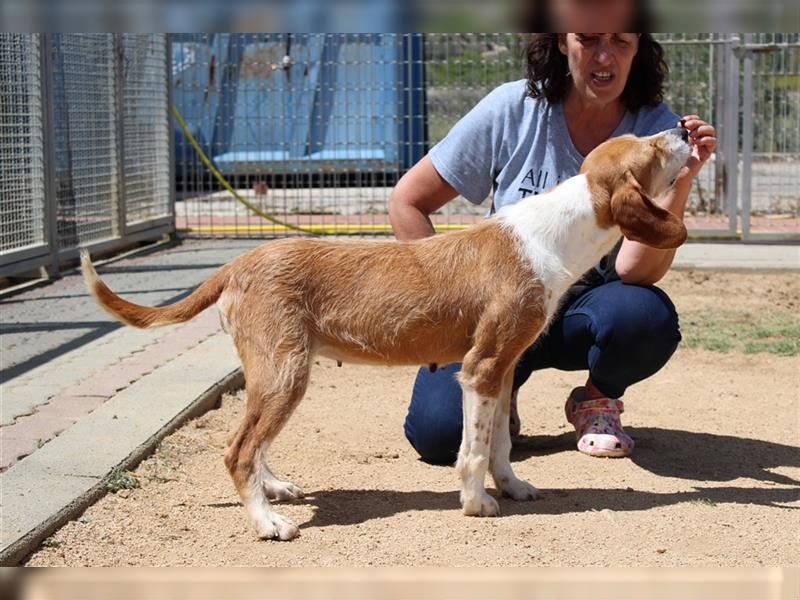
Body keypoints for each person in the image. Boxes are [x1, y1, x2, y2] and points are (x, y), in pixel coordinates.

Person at [388, 33, 717, 464]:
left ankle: (596, 399)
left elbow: (636, 270)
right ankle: (500, 392)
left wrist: (681, 179)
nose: (604, 55)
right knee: (439, 436)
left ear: (639, 48)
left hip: (582, 311)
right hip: (498, 309)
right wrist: (443, 302)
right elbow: (407, 200)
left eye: (621, 41)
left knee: (643, 317)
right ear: (562, 41)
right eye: (589, 39)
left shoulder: (655, 131)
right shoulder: (513, 108)